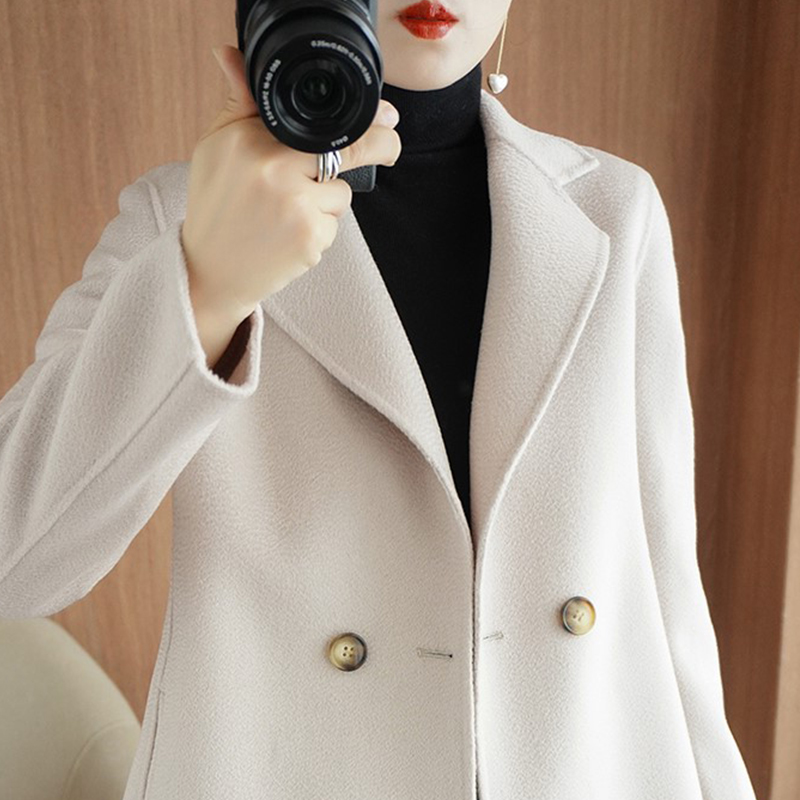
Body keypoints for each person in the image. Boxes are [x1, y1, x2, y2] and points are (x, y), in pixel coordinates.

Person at [0, 1, 760, 799]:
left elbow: (667, 594)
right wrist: (205, 285)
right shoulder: (183, 220)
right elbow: (18, 564)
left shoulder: (615, 209)